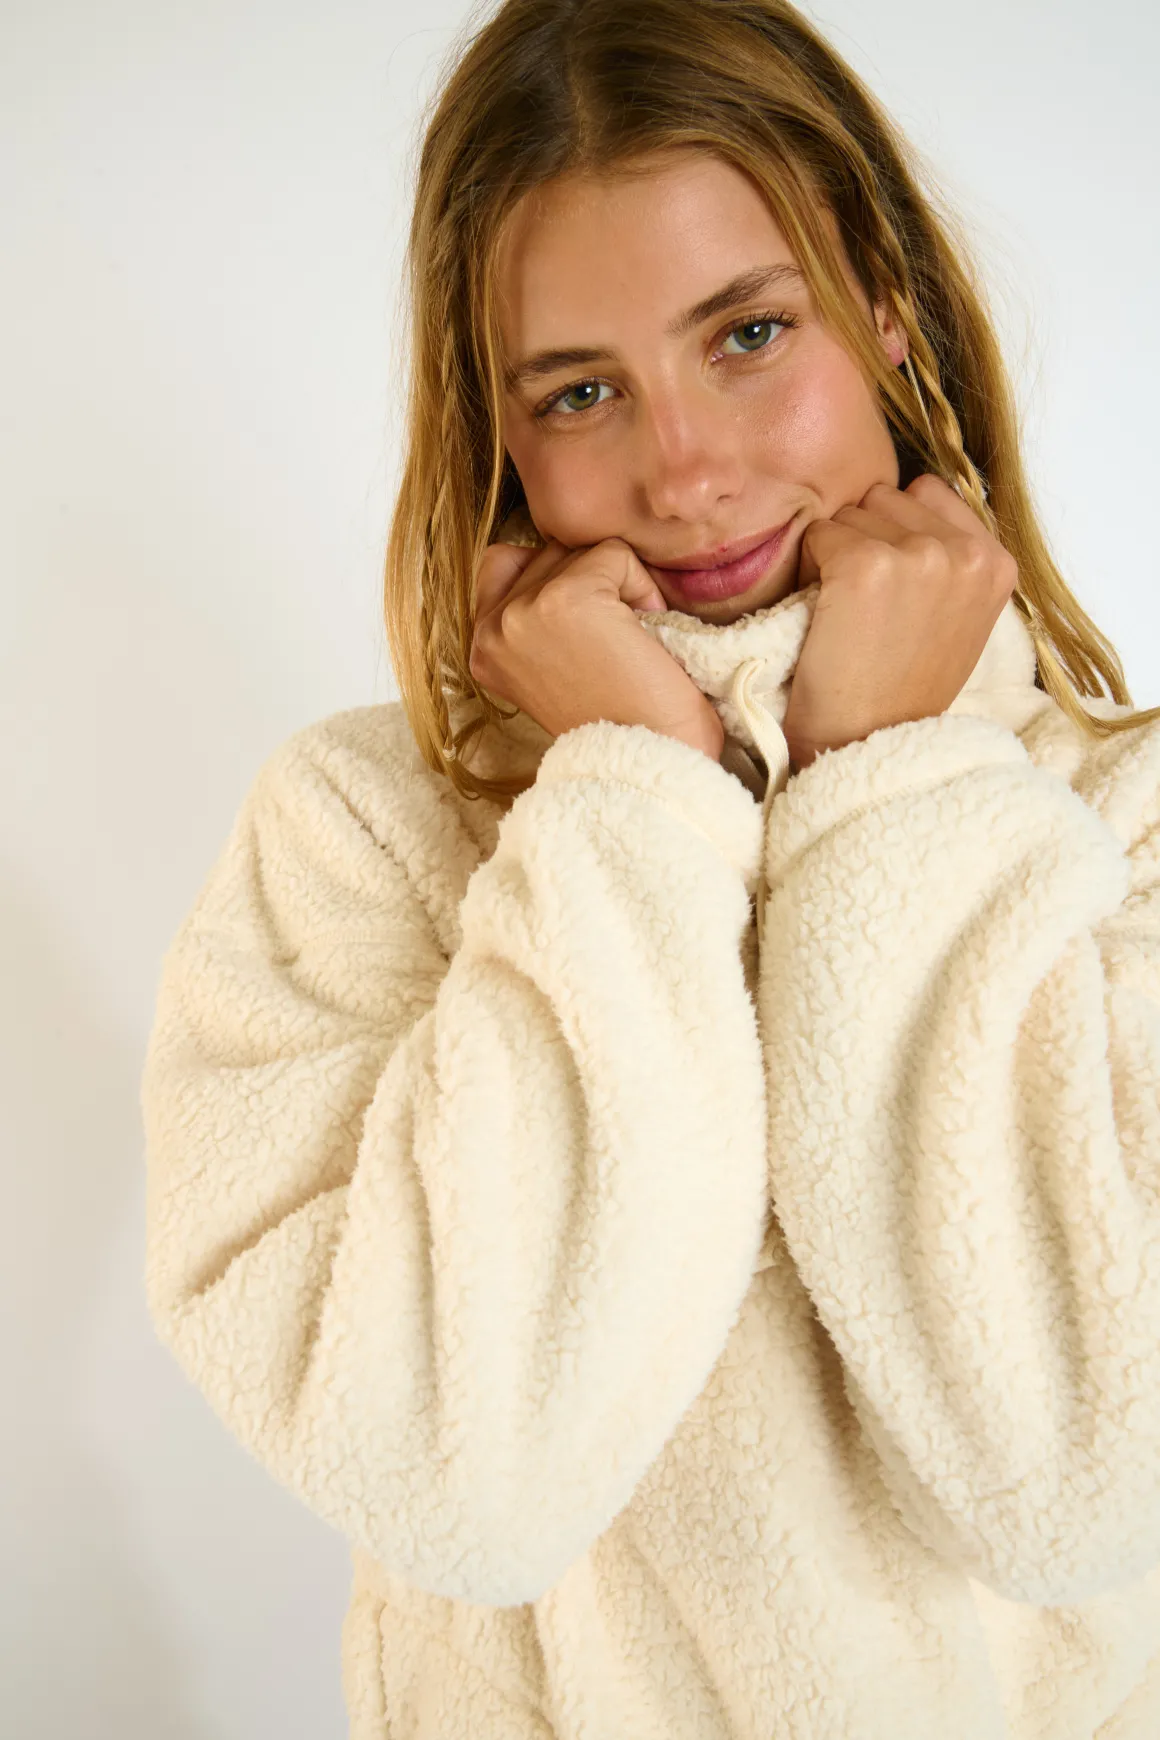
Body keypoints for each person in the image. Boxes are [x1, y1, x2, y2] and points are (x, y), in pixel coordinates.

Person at [139, 0, 1160, 1734]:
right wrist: (633, 800)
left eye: (750, 332)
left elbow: (1092, 1479)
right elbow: (462, 1484)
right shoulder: (359, 838)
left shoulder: (1121, 830)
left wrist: (886, 783)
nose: (685, 471)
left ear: (887, 309)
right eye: (582, 390)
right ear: (501, 431)